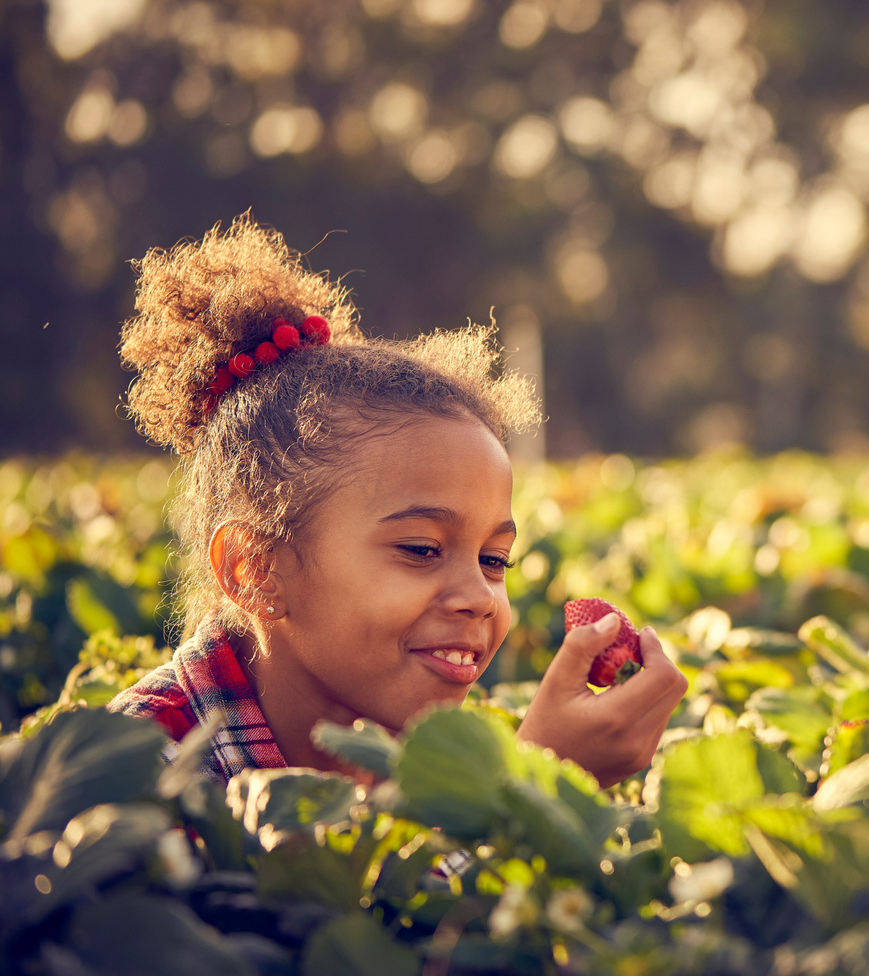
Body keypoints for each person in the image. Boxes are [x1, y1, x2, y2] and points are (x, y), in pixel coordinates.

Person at [109, 216, 688, 786]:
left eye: (495, 560)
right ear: (254, 568)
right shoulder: (134, 774)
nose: (480, 600)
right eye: (421, 549)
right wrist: (533, 789)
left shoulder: (428, 749)